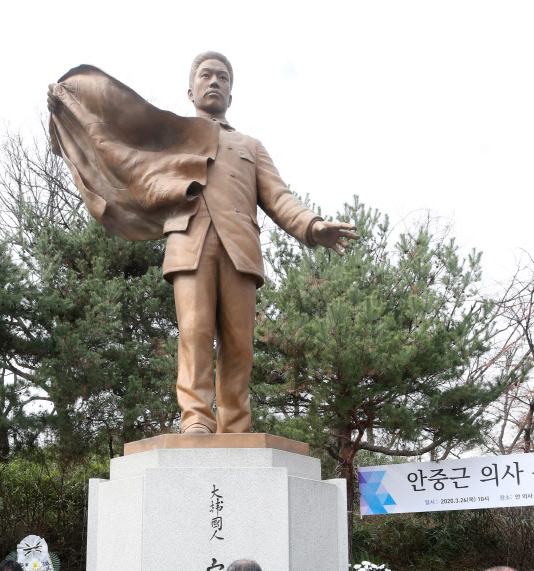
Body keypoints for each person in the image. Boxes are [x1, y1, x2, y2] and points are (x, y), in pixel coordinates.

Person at [48, 53, 358, 434]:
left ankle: (236, 425)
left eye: (223, 78)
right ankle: (196, 416)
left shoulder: (250, 145)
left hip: (240, 250)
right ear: (190, 89)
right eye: (206, 75)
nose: (214, 82)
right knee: (194, 332)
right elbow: (116, 145)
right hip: (189, 243)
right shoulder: (169, 138)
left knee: (239, 343)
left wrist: (312, 226)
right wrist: (72, 109)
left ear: (231, 94)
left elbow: (279, 197)